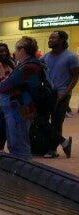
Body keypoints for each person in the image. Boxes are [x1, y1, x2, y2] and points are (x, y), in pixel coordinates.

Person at [0, 36, 44, 161]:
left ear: (22, 50)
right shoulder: (26, 65)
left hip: (20, 110)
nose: (14, 53)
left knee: (19, 144)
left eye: (16, 49)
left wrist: (3, 82)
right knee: (15, 142)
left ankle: (23, 171)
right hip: (18, 108)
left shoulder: (28, 67)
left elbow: (4, 85)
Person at [40, 30, 77, 158]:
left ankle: (52, 149)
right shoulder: (45, 57)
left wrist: (64, 94)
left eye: (53, 38)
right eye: (50, 38)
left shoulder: (71, 57)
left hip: (62, 94)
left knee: (57, 122)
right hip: (48, 94)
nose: (50, 40)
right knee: (40, 119)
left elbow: (75, 78)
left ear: (62, 40)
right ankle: (63, 141)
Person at [0, 43, 16, 151]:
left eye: (5, 51)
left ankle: (5, 147)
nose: (3, 53)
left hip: (10, 98)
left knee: (7, 124)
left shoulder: (11, 64)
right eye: (0, 51)